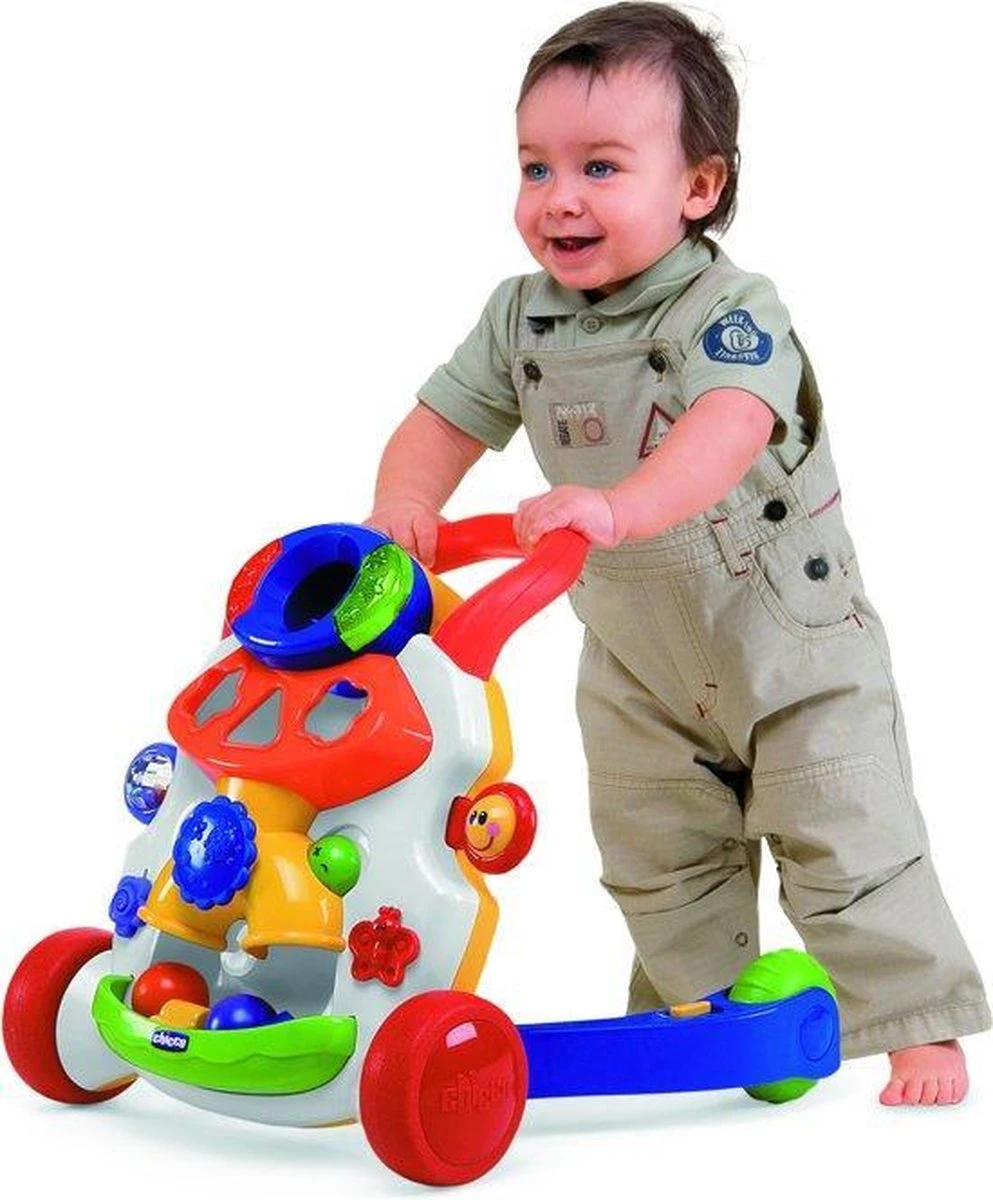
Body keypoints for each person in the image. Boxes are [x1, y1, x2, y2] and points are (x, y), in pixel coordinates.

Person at [367, 1, 989, 1104]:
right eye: (535, 166)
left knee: (844, 827)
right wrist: (404, 506)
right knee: (655, 847)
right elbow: (441, 421)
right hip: (634, 651)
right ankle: (702, 1019)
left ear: (698, 187)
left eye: (600, 167)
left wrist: (620, 506)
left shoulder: (731, 307)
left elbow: (727, 428)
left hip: (786, 640)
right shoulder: (519, 319)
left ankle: (916, 1026)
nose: (559, 197)